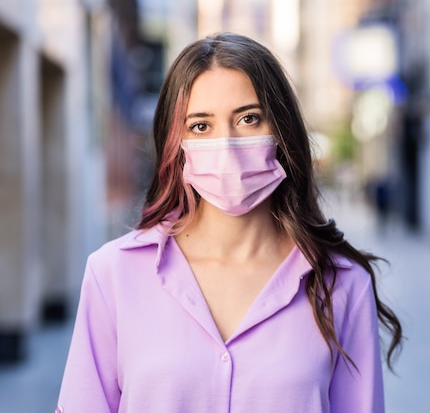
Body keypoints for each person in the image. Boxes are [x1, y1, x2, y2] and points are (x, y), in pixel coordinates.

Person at [56, 32, 402, 413]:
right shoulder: (113, 274)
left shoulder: (343, 282)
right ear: (176, 142)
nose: (227, 145)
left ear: (281, 130)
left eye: (249, 119)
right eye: (201, 126)